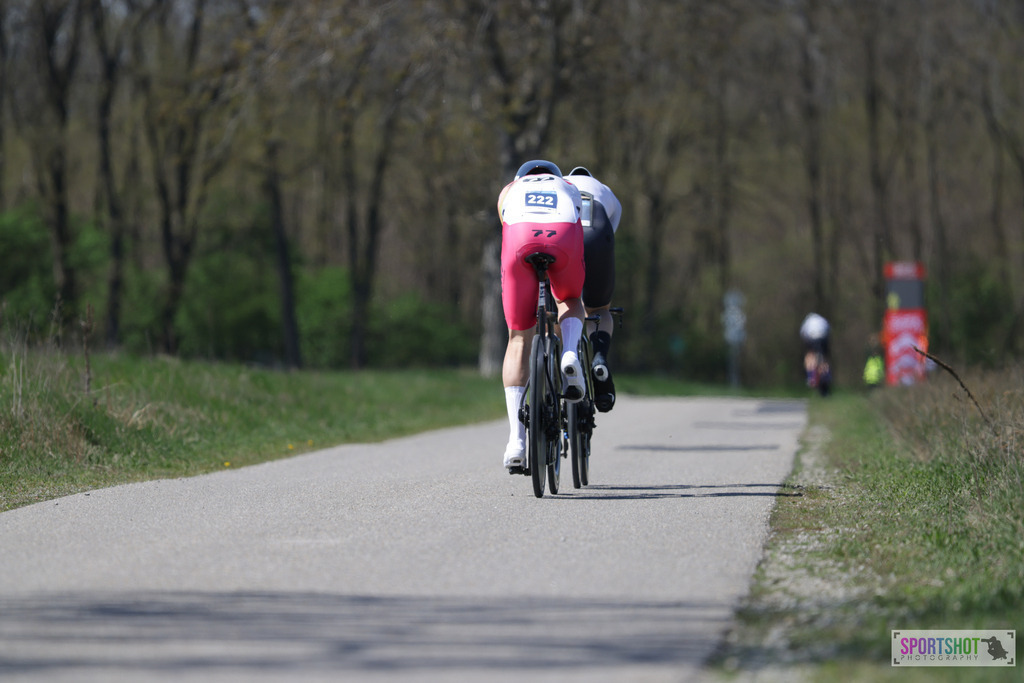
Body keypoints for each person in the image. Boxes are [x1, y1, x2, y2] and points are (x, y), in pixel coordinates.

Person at [498, 160, 587, 470]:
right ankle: (570, 354)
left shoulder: (510, 189)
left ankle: (516, 441)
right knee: (571, 299)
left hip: (521, 241)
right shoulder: (569, 186)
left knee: (519, 337)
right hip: (562, 236)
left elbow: (504, 225)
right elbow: (579, 223)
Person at [563, 166, 622, 412]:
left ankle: (564, 356)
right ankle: (598, 355)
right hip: (598, 235)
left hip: (563, 236)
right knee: (599, 308)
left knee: (564, 302)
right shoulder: (606, 191)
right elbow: (611, 230)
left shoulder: (558, 184)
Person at [799, 312, 830, 386]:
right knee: (823, 357)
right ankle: (826, 374)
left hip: (811, 338)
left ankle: (811, 377)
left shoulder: (807, 321)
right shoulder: (822, 320)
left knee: (810, 355)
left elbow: (802, 333)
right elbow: (828, 330)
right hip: (823, 338)